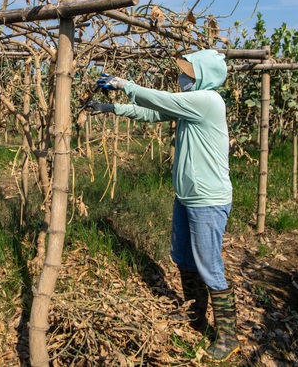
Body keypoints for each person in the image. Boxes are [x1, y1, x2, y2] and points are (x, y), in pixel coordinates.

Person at [87, 50, 239, 362]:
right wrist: (109, 107)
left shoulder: (208, 101)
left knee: (209, 265)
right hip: (187, 196)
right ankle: (195, 314)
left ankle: (228, 335)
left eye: (189, 74)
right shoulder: (192, 103)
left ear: (204, 77)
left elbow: (160, 100)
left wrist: (125, 84)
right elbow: (153, 113)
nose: (182, 78)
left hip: (208, 200)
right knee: (182, 255)